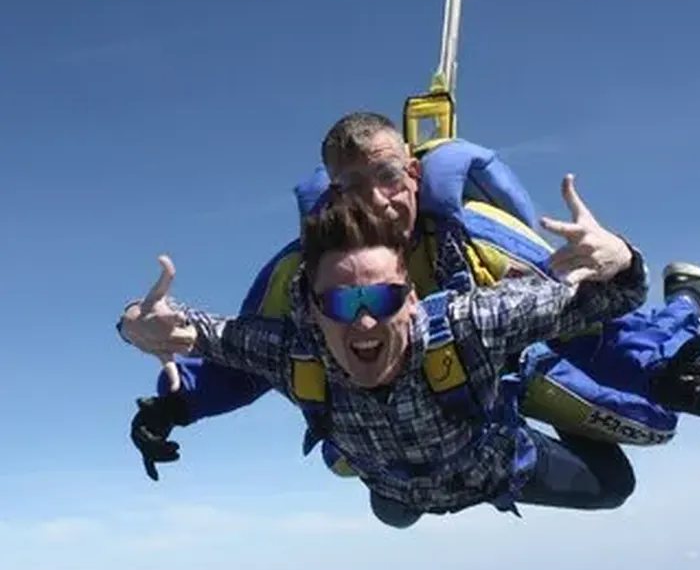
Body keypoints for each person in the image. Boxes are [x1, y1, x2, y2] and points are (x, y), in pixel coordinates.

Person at [128, 112, 700, 481]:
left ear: (412, 174)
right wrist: (175, 404)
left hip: (505, 370)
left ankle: (692, 302)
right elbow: (256, 356)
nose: (374, 199)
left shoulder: (480, 242)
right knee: (359, 472)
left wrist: (660, 367)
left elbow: (575, 320)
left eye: (386, 176)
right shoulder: (301, 275)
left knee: (645, 424)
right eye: (351, 185)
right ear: (332, 195)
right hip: (398, 429)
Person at [119, 188, 651, 527]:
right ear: (311, 308)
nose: (364, 321)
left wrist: (620, 257)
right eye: (341, 303)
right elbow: (201, 332)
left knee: (616, 487)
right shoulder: (293, 352)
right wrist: (135, 325)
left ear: (412, 297)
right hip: (397, 486)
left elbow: (610, 296)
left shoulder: (469, 324)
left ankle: (537, 389)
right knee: (392, 512)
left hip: (494, 467)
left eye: (381, 299)